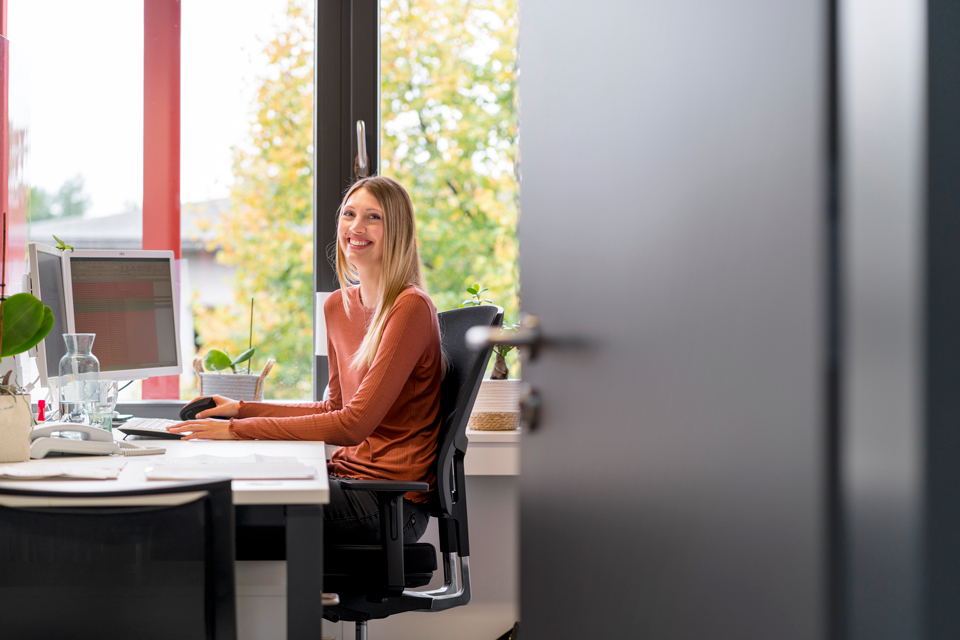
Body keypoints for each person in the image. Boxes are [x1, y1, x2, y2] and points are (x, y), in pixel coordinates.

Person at [170, 176, 442, 544]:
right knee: (220, 495)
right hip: (346, 479)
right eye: (349, 214)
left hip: (388, 503)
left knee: (217, 512)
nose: (356, 227)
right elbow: (333, 407)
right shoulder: (337, 305)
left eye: (373, 217)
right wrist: (241, 410)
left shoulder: (410, 307)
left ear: (398, 230)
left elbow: (352, 425)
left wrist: (238, 430)